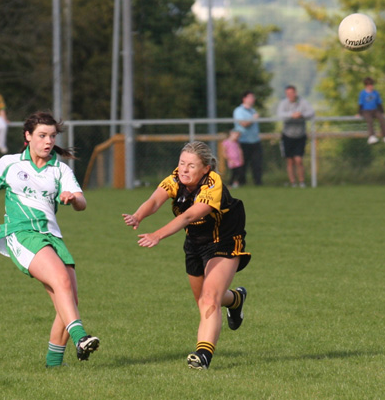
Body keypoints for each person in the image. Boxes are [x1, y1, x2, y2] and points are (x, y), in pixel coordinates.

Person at [0, 111, 99, 367]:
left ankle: (54, 364)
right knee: (61, 281)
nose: (48, 141)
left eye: (52, 136)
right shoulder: (11, 163)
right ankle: (80, 337)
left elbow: (82, 204)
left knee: (68, 299)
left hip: (51, 236)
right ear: (27, 136)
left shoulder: (60, 169)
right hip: (20, 233)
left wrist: (73, 198)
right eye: (42, 135)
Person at [122, 141, 251, 370]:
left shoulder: (213, 183)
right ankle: (236, 299)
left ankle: (202, 356)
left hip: (224, 240)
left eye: (191, 165)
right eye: (182, 163)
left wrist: (158, 235)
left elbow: (189, 216)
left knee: (209, 298)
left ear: (205, 169)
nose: (184, 169)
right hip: (194, 243)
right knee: (204, 301)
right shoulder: (175, 179)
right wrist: (138, 215)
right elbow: (154, 200)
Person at [277, 85, 315, 188]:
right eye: (287, 94)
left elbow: (311, 112)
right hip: (287, 135)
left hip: (300, 135)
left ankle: (302, 182)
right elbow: (280, 114)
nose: (289, 95)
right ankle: (293, 182)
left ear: (295, 93)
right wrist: (291, 115)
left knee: (299, 160)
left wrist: (301, 114)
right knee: (290, 161)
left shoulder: (303, 102)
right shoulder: (283, 103)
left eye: (291, 93)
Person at [233, 91, 263, 186]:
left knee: (257, 163)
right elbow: (244, 124)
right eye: (250, 97)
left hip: (255, 141)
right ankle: (241, 182)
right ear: (244, 99)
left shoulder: (253, 111)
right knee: (242, 163)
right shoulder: (239, 111)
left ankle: (258, 183)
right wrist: (253, 119)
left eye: (253, 97)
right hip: (243, 141)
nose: (252, 99)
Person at [357, 77, 385, 144]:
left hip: (375, 110)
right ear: (366, 86)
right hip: (366, 110)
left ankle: (384, 135)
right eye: (370, 85)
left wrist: (382, 112)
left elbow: (379, 103)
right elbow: (360, 104)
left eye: (372, 85)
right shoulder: (363, 93)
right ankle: (371, 136)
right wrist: (359, 113)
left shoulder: (376, 93)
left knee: (382, 119)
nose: (371, 86)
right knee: (370, 120)